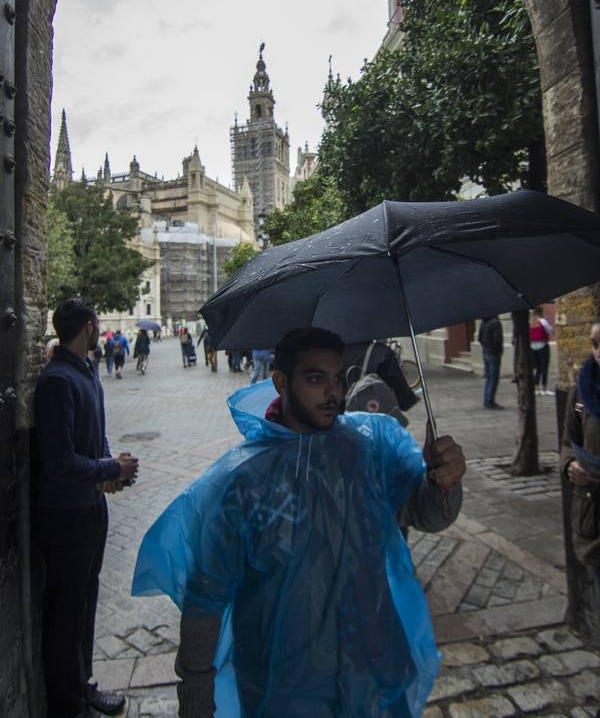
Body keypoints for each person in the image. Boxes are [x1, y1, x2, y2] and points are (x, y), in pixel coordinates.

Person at [132, 326, 466, 717]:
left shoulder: (368, 448)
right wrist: (195, 690)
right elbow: (206, 595)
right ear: (281, 382)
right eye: (315, 379)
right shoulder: (244, 481)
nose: (333, 393)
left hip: (372, 672)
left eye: (338, 379)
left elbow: (426, 514)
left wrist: (444, 480)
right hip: (285, 689)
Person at [33, 297, 139, 718]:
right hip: (66, 515)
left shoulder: (87, 372)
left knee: (86, 601)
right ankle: (68, 702)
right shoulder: (57, 380)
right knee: (67, 610)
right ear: (91, 327)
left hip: (90, 505)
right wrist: (109, 467)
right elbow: (58, 463)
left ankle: (83, 684)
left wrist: (108, 473)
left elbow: (95, 435)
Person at [560, 319, 600, 586]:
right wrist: (571, 463)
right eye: (595, 344)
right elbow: (567, 442)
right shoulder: (581, 395)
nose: (599, 351)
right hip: (594, 518)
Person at [344, 340, 419, 414]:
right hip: (371, 417)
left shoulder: (334, 349)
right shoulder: (380, 353)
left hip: (338, 419)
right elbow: (404, 399)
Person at [478, 315, 504, 410]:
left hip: (485, 351)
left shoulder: (483, 322)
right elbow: (498, 339)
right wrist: (498, 351)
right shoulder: (496, 323)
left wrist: (486, 346)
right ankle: (490, 401)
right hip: (493, 353)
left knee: (489, 378)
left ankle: (486, 400)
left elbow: (479, 338)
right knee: (494, 378)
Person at [530, 305, 555, 395]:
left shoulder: (531, 322)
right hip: (543, 345)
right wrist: (547, 321)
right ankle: (544, 388)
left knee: (537, 368)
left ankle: (536, 389)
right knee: (544, 367)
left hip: (533, 347)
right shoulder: (543, 321)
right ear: (541, 312)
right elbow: (551, 331)